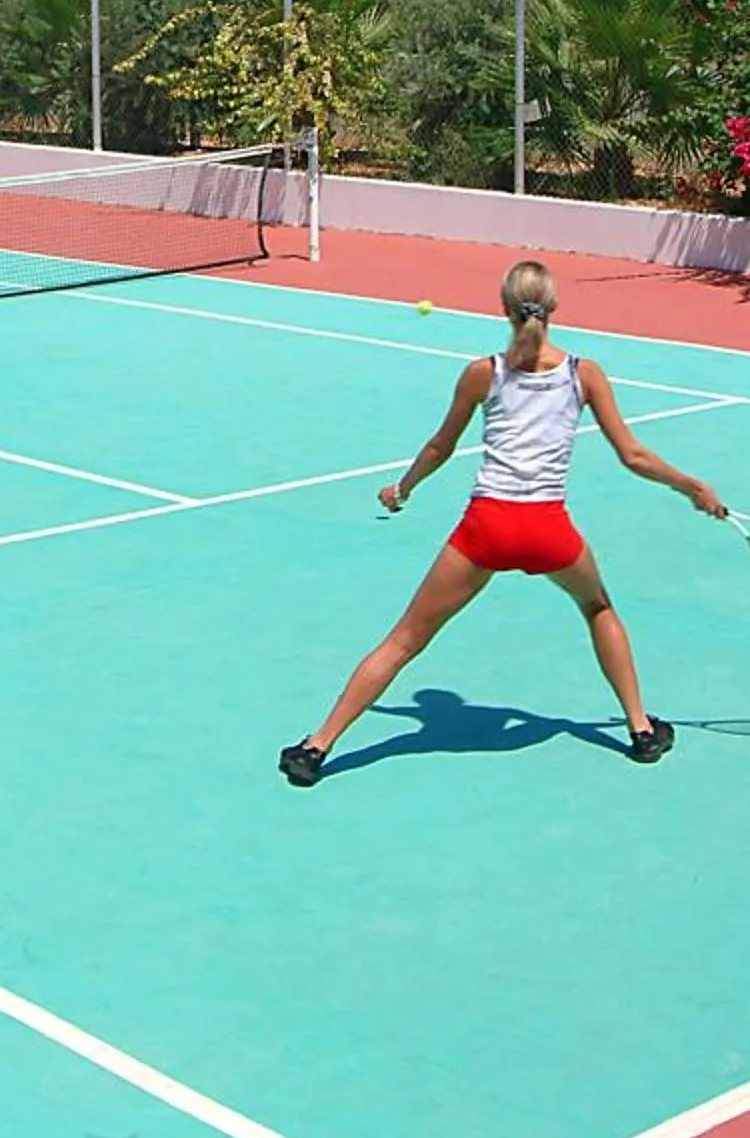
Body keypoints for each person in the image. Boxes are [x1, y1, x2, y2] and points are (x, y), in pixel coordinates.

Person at [280, 259, 723, 786]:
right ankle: (641, 730)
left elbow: (441, 446)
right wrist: (691, 486)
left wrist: (403, 489)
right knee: (597, 606)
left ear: (504, 310)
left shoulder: (481, 373)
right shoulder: (585, 374)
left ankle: (316, 748)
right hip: (549, 534)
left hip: (485, 530)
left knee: (404, 640)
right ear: (554, 308)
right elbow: (634, 456)